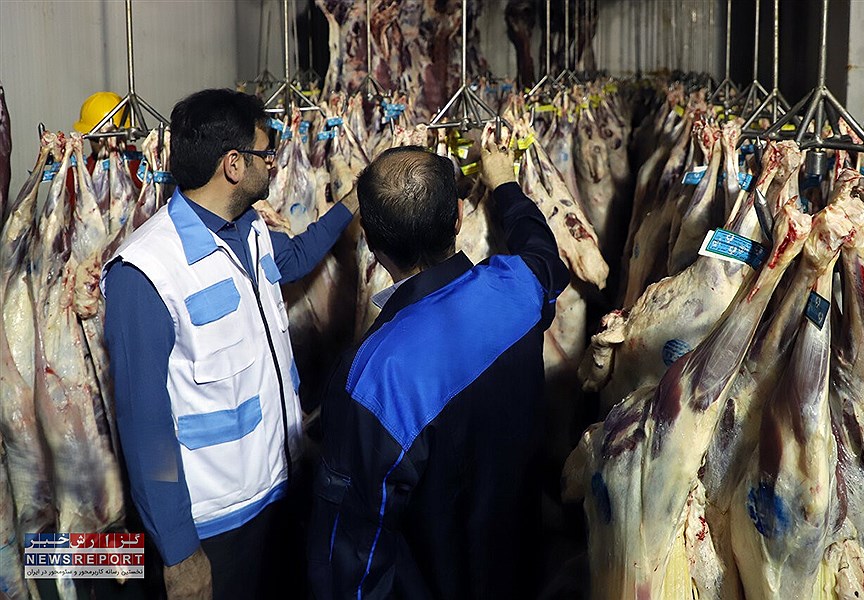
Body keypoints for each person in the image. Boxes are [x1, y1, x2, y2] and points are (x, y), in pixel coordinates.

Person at [101, 88, 358, 600]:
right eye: (266, 153)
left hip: (284, 487)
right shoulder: (147, 271)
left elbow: (294, 259)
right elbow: (145, 426)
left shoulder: (251, 228)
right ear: (234, 165)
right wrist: (179, 550)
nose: (273, 163)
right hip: (218, 525)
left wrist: (352, 204)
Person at [308, 136, 570, 599]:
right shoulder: (517, 287)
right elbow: (543, 251)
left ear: (369, 238)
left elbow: (355, 552)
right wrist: (504, 184)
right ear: (459, 218)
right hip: (522, 566)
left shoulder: (374, 377)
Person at [68, 91, 142, 195]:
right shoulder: (74, 176)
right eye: (98, 138)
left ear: (125, 134)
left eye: (113, 136)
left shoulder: (143, 169)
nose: (105, 142)